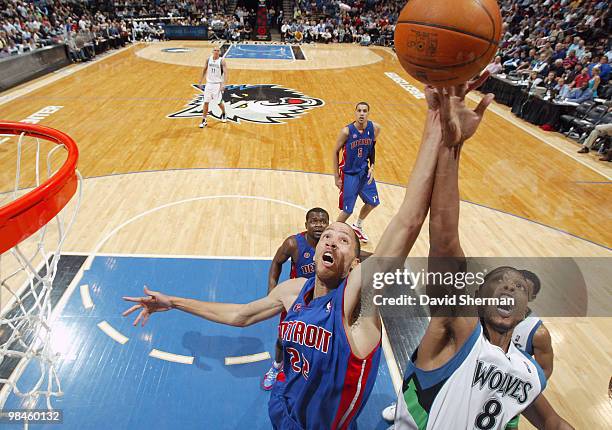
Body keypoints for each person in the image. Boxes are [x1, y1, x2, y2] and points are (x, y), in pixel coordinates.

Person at [122, 75, 469, 427]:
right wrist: (173, 302)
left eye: (344, 239)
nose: (331, 240)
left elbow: (409, 220)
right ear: (315, 251)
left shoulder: (360, 311)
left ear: (353, 265)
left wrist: (436, 119)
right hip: (283, 415)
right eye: (328, 237)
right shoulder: (292, 292)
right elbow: (239, 316)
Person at [386, 83, 573, 429]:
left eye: (517, 287)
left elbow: (555, 424)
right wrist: (450, 149)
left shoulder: (528, 372)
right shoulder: (457, 330)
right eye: (498, 283)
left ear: (527, 307)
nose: (508, 289)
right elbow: (444, 242)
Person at [261, 207, 329, 391]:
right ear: (306, 224)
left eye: (323, 222)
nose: (319, 225)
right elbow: (277, 262)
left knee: (320, 341)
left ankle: (314, 371)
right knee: (283, 338)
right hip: (296, 300)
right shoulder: (293, 244)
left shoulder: (331, 244)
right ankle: (277, 366)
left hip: (323, 301)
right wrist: (272, 290)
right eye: (314, 221)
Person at [505, 270, 554, 430]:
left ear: (531, 298)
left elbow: (545, 370)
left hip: (508, 391)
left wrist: (518, 388)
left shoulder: (538, 333)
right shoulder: (485, 309)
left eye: (522, 289)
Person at [333, 102, 381, 243]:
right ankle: (331, 235)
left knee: (373, 202)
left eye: (364, 111)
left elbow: (372, 149)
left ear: (368, 113)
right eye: (359, 110)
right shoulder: (346, 132)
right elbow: (335, 152)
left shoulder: (375, 128)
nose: (361, 113)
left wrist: (372, 166)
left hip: (364, 172)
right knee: (347, 210)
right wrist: (336, 177)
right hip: (349, 174)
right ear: (355, 113)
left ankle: (357, 226)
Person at [198, 46, 228, 128]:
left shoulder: (222, 61)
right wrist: (200, 80)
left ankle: (224, 113)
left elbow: (225, 73)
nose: (216, 52)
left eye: (218, 50)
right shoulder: (208, 59)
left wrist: (223, 84)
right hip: (209, 84)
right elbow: (204, 69)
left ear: (220, 52)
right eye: (215, 50)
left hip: (217, 84)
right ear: (212, 51)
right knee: (206, 102)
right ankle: (204, 120)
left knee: (219, 102)